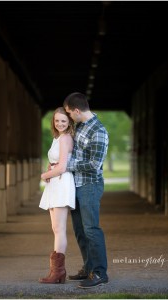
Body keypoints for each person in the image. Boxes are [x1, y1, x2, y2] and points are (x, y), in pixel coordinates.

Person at [63, 92, 109, 289]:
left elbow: (94, 163)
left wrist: (67, 164)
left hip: (90, 185)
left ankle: (99, 273)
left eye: (69, 114)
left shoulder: (98, 131)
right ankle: (88, 267)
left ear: (76, 110)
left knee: (91, 229)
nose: (69, 118)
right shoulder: (81, 126)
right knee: (80, 230)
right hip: (76, 185)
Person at [38, 107, 75, 284]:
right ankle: (56, 272)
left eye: (63, 121)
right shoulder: (58, 137)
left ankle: (58, 272)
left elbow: (62, 166)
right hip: (55, 182)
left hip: (61, 182)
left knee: (59, 228)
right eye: (57, 120)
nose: (60, 123)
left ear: (69, 122)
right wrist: (49, 169)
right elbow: (55, 163)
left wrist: (45, 175)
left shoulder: (66, 138)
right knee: (55, 228)